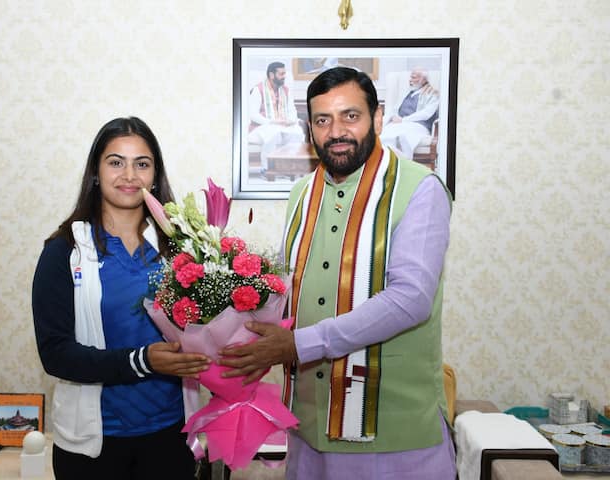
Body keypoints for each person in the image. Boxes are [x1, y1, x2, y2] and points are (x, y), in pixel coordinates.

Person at [218, 67, 455, 480]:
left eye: (350, 116)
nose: (336, 131)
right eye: (323, 120)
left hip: (394, 432)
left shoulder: (420, 188)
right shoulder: (301, 193)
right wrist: (243, 345)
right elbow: (285, 289)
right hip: (310, 425)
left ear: (377, 119)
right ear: (310, 129)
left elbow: (410, 299)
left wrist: (297, 345)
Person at [31, 116, 210, 479]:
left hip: (172, 438)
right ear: (96, 172)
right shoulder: (64, 252)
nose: (129, 175)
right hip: (94, 448)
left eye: (141, 164)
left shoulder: (184, 249)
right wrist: (143, 361)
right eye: (116, 162)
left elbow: (208, 331)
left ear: (155, 176)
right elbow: (55, 354)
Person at [248, 61, 306, 171]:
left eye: (285, 73)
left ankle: (289, 168)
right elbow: (253, 115)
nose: (284, 76)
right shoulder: (258, 90)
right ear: (271, 75)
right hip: (261, 127)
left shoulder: (286, 90)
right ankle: (268, 169)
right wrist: (272, 122)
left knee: (297, 131)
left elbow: (292, 110)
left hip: (282, 125)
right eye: (281, 74)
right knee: (273, 132)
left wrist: (291, 121)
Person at [380, 67, 440, 159]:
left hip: (418, 126)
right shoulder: (410, 92)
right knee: (385, 134)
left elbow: (426, 114)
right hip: (401, 123)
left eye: (414, 77)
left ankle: (403, 160)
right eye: (411, 77)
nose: (410, 80)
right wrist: (391, 118)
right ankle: (389, 159)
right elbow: (395, 110)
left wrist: (403, 120)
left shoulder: (432, 93)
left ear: (424, 79)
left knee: (402, 136)